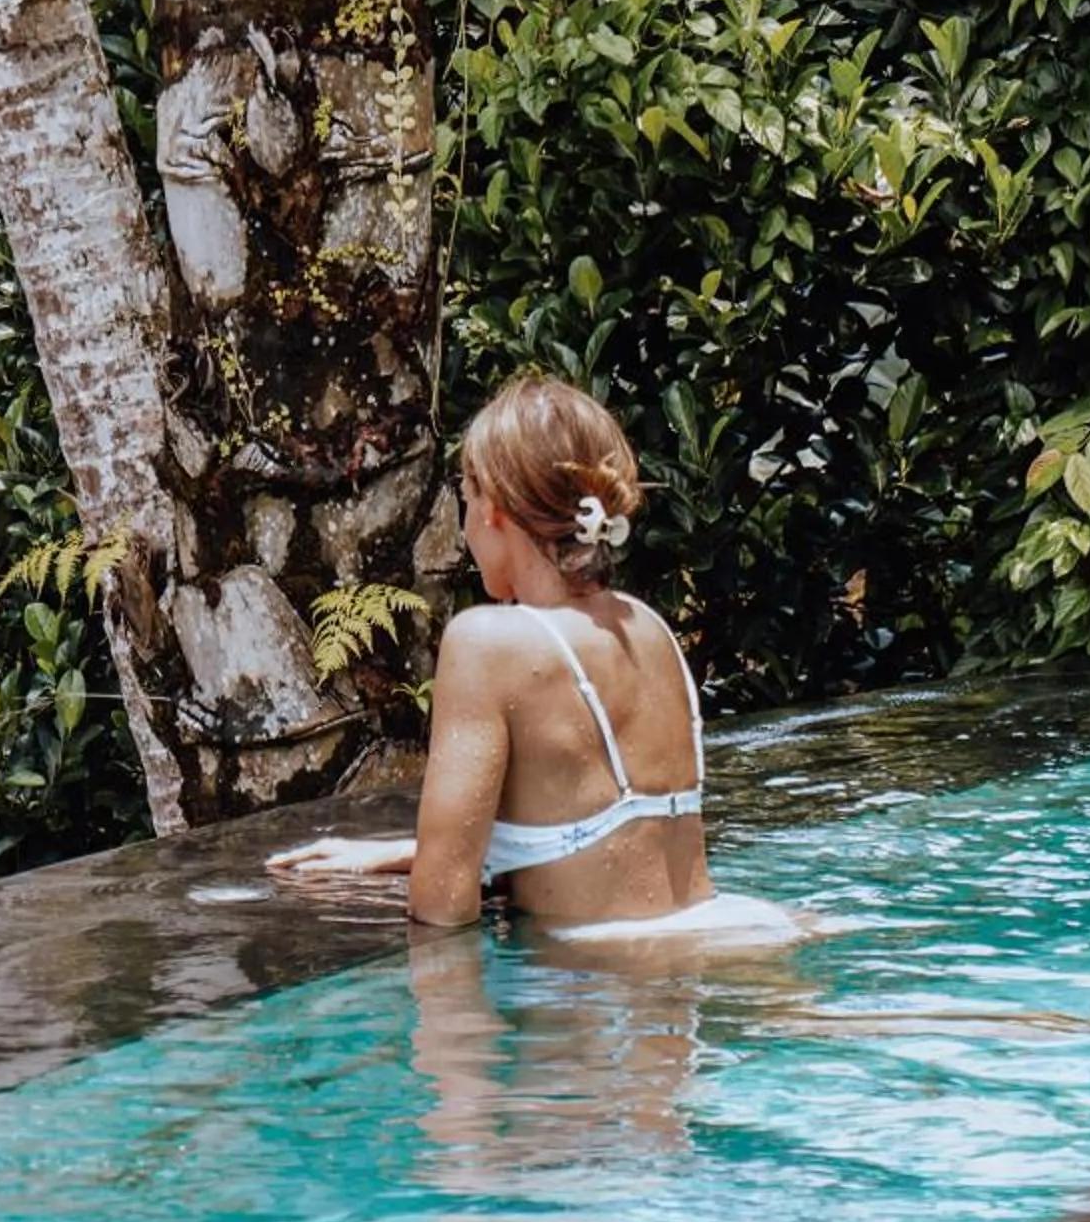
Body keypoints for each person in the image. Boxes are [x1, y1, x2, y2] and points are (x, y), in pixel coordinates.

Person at [270, 374, 801, 954]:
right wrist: (407, 851)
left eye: (465, 499)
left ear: (493, 508)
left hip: (601, 1007)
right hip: (711, 954)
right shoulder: (645, 628)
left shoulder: (488, 642)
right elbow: (604, 837)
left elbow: (443, 906)